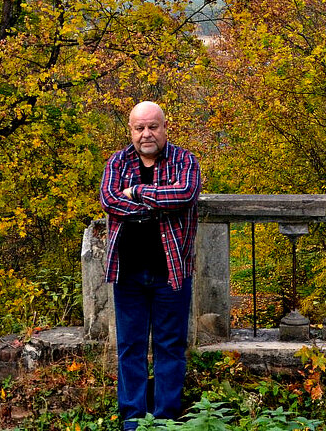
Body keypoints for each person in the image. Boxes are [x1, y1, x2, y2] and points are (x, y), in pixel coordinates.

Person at [99, 101, 201, 429]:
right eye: (139, 128)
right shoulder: (117, 162)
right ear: (130, 130)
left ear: (165, 127)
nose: (146, 134)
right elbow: (110, 200)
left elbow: (184, 195)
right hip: (127, 273)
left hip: (171, 273)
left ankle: (165, 419)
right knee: (130, 347)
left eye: (153, 126)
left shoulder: (185, 160)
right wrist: (155, 203)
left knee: (170, 346)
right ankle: (132, 420)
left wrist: (137, 192)